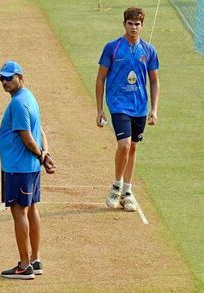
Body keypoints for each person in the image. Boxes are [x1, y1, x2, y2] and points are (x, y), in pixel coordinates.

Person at [0, 60, 55, 279]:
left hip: (18, 167)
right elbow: (41, 131)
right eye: (2, 78)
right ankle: (35, 260)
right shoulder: (29, 97)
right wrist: (45, 154)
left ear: (20, 77)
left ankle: (24, 265)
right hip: (28, 167)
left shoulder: (19, 103)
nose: (4, 82)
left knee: (19, 211)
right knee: (31, 209)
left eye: (9, 78)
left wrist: (41, 155)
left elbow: (28, 136)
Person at [96, 7, 160, 211]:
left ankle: (128, 192)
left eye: (137, 24)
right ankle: (116, 187)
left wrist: (154, 109)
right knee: (124, 145)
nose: (134, 27)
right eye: (130, 23)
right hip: (118, 104)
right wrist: (99, 110)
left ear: (142, 26)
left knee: (133, 147)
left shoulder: (149, 50)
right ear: (124, 24)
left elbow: (154, 81)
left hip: (140, 107)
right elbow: (100, 79)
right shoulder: (112, 48)